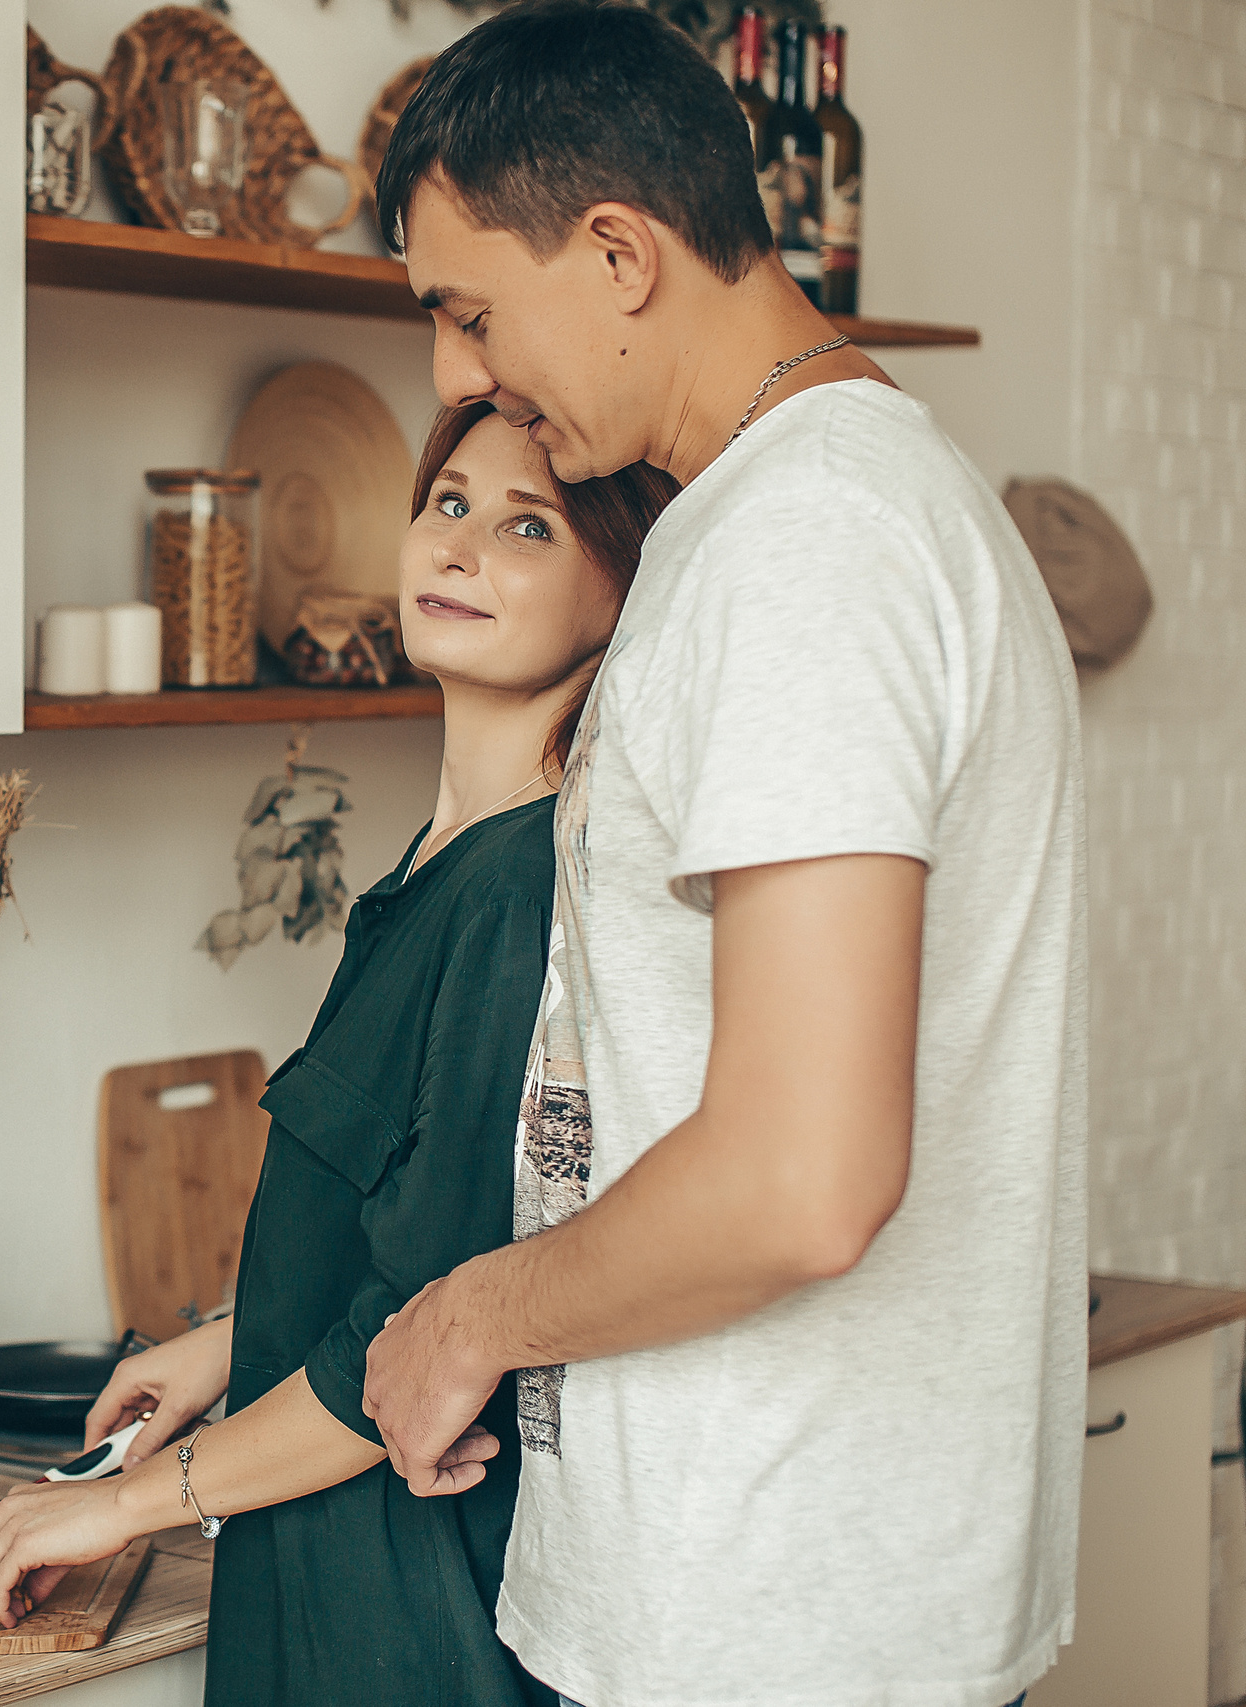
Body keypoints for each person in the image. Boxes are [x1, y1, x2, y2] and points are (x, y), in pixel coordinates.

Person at [359, 7, 1086, 1707]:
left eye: (467, 311)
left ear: (617, 252)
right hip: (767, 1601)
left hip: (778, 1632)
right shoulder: (780, 519)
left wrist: (465, 1322)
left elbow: (799, 1176)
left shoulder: (808, 546)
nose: (459, 379)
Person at [0, 402, 676, 1707]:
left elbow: (412, 1328)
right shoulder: (433, 865)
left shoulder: (522, 898)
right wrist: (222, 1347)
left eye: (527, 526)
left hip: (411, 1615)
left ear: (622, 595)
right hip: (319, 1574)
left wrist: (121, 1510)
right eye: (447, 504)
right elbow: (399, 1225)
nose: (458, 549)